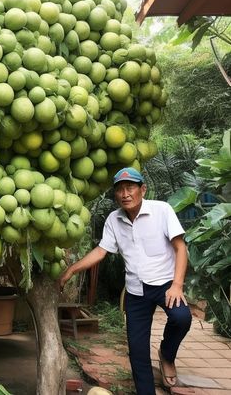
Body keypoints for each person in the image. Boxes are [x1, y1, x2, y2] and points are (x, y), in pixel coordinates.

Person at [59, 167, 192, 394]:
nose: (125, 194)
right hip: (136, 291)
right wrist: (71, 270)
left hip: (165, 284)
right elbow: (101, 251)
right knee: (138, 350)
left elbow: (181, 248)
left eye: (130, 188)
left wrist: (177, 285)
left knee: (182, 318)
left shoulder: (162, 210)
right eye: (120, 189)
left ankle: (166, 355)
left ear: (143, 189)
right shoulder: (114, 219)